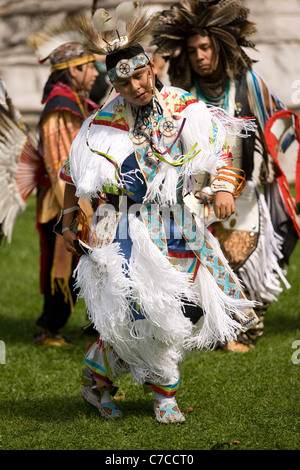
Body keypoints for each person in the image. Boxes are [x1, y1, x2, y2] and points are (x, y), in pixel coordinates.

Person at [59, 2, 258, 423]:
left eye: (140, 75)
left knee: (181, 311)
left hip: (180, 223)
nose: (135, 87)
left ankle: (131, 386)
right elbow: (73, 172)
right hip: (125, 227)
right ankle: (132, 392)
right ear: (115, 83)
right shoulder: (104, 120)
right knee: (140, 310)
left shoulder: (185, 108)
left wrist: (223, 189)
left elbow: (221, 155)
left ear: (152, 68)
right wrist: (67, 217)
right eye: (124, 81)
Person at [151, 0, 300, 351]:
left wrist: (264, 157)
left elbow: (277, 121)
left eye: (205, 47)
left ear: (219, 46)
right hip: (196, 189)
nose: (200, 55)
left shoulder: (247, 82)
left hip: (247, 188)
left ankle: (246, 327)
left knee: (242, 256)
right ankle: (212, 326)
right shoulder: (183, 93)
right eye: (192, 50)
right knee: (197, 258)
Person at [29, 21, 99, 346]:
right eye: (89, 67)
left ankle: (95, 325)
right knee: (65, 271)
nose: (96, 73)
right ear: (72, 71)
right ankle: (48, 329)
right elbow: (61, 167)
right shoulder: (60, 109)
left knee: (83, 268)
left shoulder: (75, 102)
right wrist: (77, 212)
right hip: (63, 205)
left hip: (76, 203)